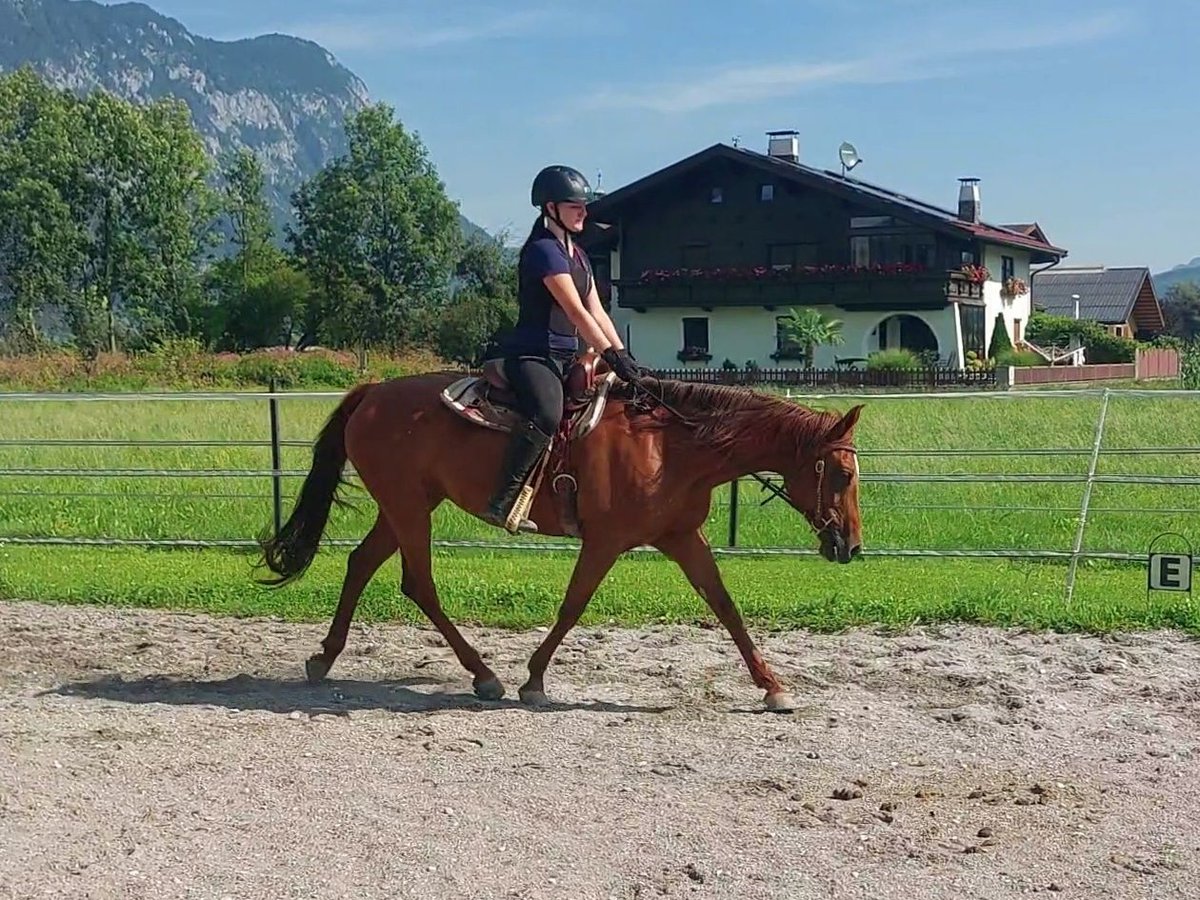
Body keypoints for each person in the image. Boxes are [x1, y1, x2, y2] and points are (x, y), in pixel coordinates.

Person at [481, 164, 650, 533]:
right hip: (532, 355)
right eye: (576, 207)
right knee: (547, 411)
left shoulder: (578, 255)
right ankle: (501, 500)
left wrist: (624, 357)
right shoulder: (544, 252)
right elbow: (573, 309)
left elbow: (597, 311)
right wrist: (608, 354)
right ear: (551, 208)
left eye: (584, 207)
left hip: (565, 356)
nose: (584, 213)